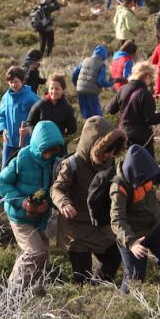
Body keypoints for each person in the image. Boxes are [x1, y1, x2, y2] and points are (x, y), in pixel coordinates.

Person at [51, 116, 126, 284]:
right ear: (94, 145)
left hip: (101, 227)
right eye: (107, 150)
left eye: (113, 151)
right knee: (81, 279)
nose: (110, 155)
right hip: (76, 229)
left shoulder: (110, 163)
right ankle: (84, 299)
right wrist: (63, 203)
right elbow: (57, 189)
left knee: (113, 259)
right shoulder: (72, 164)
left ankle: (96, 287)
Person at [0, 120, 65, 295]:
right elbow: (1, 183)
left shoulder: (55, 163)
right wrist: (22, 202)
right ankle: (13, 290)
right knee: (35, 252)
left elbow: (54, 189)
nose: (49, 153)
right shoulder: (22, 158)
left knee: (44, 254)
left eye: (54, 149)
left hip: (40, 217)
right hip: (19, 216)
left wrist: (46, 204)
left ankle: (35, 291)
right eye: (47, 149)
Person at [110, 144, 160, 294]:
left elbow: (157, 175)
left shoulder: (143, 171)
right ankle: (126, 311)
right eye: (143, 180)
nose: (147, 181)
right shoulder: (119, 188)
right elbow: (117, 219)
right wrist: (131, 243)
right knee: (135, 277)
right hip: (132, 235)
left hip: (154, 227)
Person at [106, 62, 160, 158]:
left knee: (128, 166)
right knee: (147, 168)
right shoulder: (145, 94)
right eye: (151, 77)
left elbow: (111, 110)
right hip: (141, 138)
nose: (151, 80)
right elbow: (150, 119)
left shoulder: (123, 89)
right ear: (147, 76)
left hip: (123, 135)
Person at [0, 66, 40, 167]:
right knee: (5, 169)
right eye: (11, 82)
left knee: (24, 169)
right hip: (9, 141)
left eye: (16, 82)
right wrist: (3, 130)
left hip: (26, 141)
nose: (13, 85)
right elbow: (1, 116)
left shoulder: (31, 97)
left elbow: (40, 116)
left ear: (22, 81)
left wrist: (29, 130)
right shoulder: (6, 97)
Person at [26, 74, 77, 138]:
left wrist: (63, 139)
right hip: (40, 142)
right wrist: (36, 136)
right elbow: (30, 123)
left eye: (57, 89)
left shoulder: (67, 108)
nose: (54, 91)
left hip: (58, 144)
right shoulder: (40, 105)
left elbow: (72, 129)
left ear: (62, 90)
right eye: (51, 88)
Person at [72, 45, 113, 120]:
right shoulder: (102, 65)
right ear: (104, 56)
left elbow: (75, 73)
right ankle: (98, 130)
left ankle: (87, 129)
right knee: (96, 115)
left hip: (80, 90)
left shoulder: (85, 60)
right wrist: (111, 83)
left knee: (85, 114)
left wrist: (76, 84)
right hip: (92, 92)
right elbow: (101, 81)